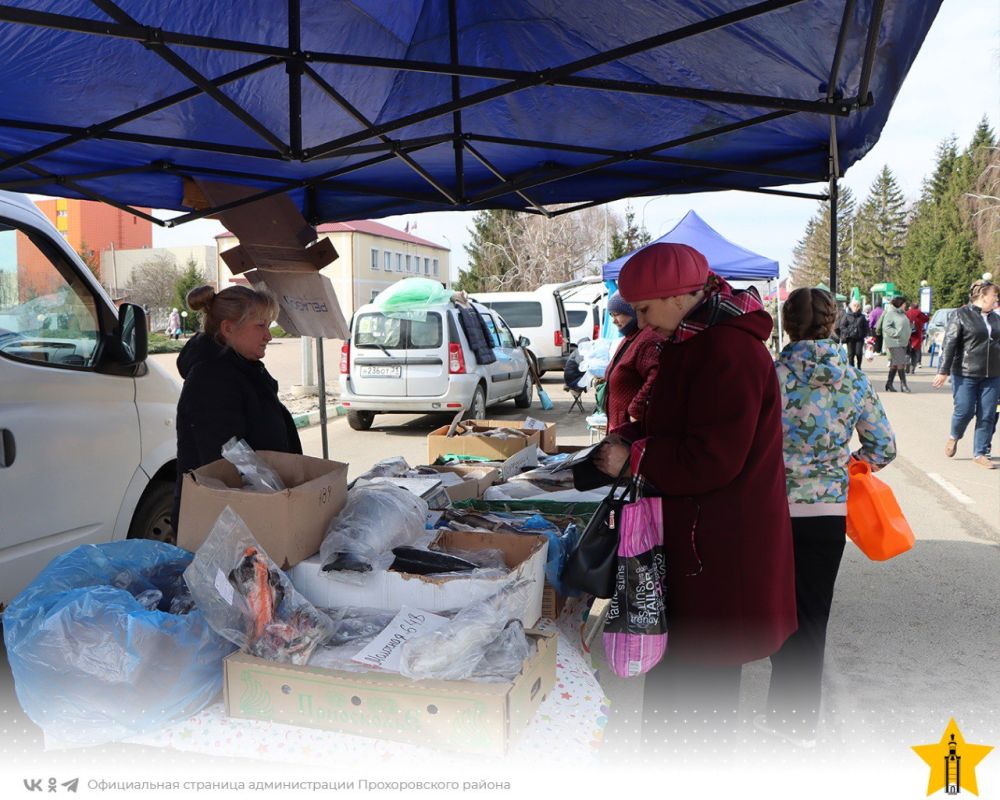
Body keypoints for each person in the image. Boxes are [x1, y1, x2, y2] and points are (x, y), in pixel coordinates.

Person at [592, 243, 796, 741]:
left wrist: (636, 456)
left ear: (681, 296)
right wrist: (635, 439)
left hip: (722, 552)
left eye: (644, 309)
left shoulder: (726, 349)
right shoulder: (698, 340)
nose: (640, 323)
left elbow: (713, 458)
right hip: (704, 545)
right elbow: (685, 428)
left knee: (698, 707)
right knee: (679, 694)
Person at [762, 287, 896, 747]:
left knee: (773, 608)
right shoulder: (853, 379)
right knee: (812, 614)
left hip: (770, 510)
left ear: (787, 323)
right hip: (826, 513)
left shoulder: (770, 375)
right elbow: (884, 447)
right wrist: (843, 463)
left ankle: (780, 710)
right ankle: (797, 724)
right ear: (832, 322)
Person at [173, 285, 302, 526]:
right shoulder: (212, 379)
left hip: (249, 515)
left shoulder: (242, 368)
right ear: (228, 328)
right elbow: (224, 466)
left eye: (269, 325)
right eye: (260, 325)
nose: (268, 336)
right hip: (226, 524)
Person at [932, 278, 1000, 468]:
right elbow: (950, 344)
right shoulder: (961, 315)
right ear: (982, 295)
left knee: (987, 414)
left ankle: (980, 453)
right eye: (994, 296)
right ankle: (954, 436)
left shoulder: (996, 319)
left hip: (993, 375)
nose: (996, 300)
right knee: (964, 411)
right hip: (965, 372)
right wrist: (943, 371)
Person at [603, 291, 663, 431]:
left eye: (617, 314)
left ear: (632, 311)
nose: (613, 320)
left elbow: (657, 376)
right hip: (620, 425)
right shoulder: (630, 337)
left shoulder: (648, 338)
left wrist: (636, 409)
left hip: (632, 429)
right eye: (611, 315)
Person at [877, 296, 912, 392]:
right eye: (904, 304)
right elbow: (886, 327)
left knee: (895, 364)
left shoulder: (902, 314)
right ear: (900, 304)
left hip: (903, 342)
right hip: (894, 342)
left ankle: (889, 383)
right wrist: (896, 333)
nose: (905, 305)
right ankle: (903, 385)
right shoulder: (890, 314)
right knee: (901, 363)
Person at [835, 299, 869, 370]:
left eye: (857, 306)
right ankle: (851, 368)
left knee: (859, 353)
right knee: (851, 354)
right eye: (854, 305)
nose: (856, 307)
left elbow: (866, 327)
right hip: (850, 338)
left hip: (859, 338)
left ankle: (859, 366)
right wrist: (847, 332)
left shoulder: (862, 316)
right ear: (851, 306)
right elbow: (842, 326)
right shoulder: (847, 315)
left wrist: (865, 334)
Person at [905, 302, 930, 374]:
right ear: (918, 307)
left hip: (908, 335)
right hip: (917, 335)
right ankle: (912, 369)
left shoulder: (907, 313)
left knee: (907, 352)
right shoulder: (919, 313)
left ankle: (907, 365)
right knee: (915, 353)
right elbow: (926, 319)